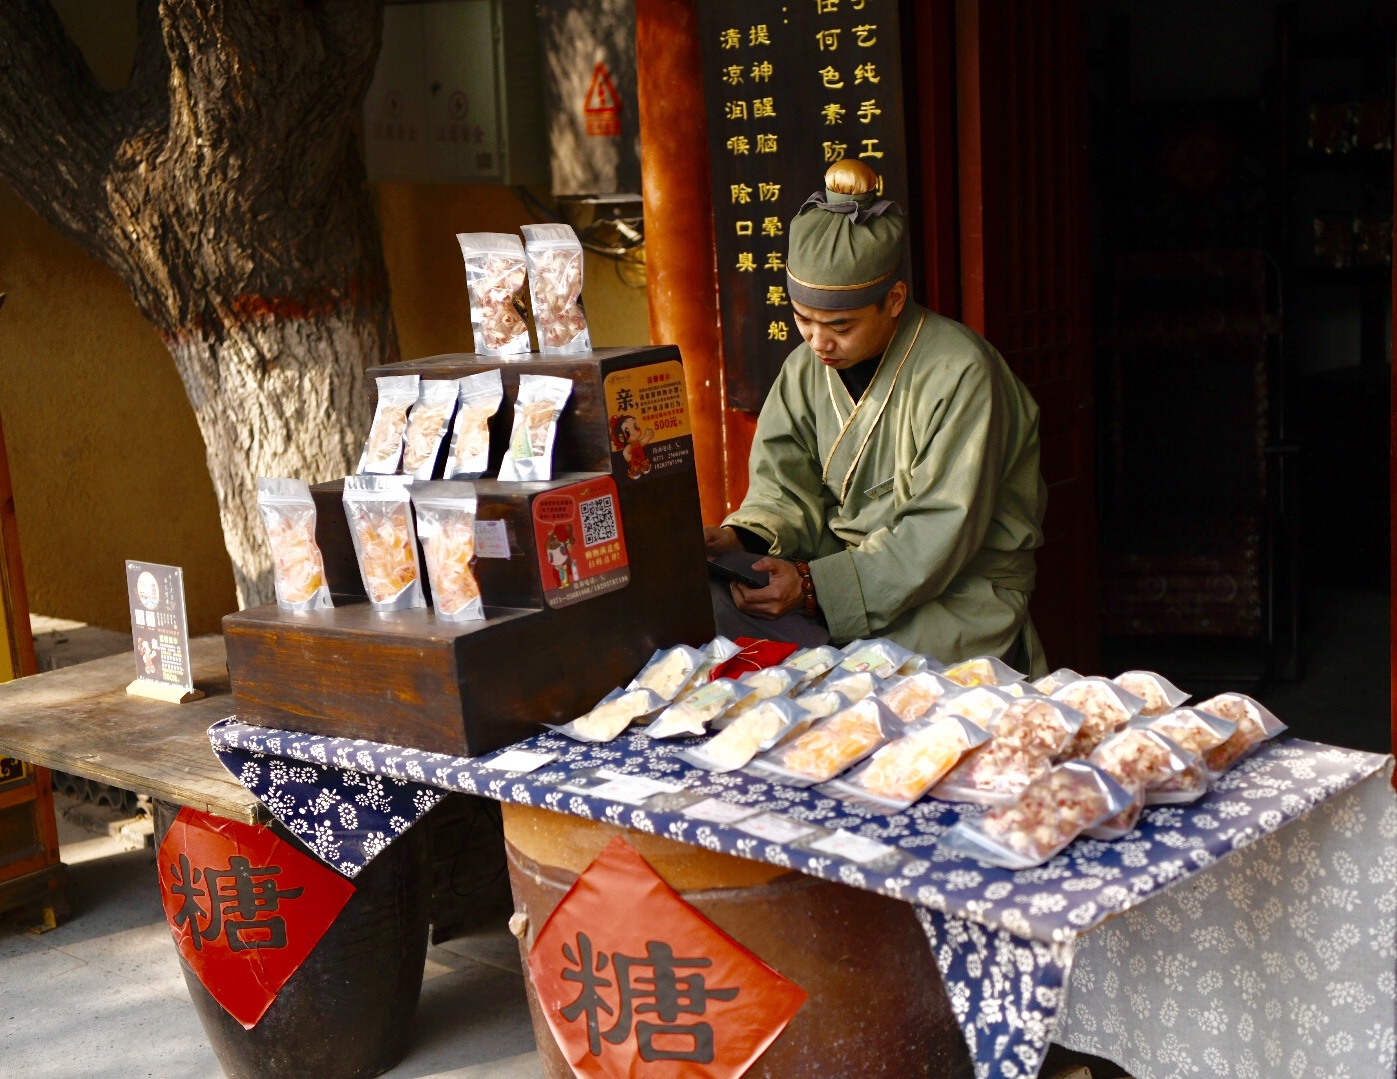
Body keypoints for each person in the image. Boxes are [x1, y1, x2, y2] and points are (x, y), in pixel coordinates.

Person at [705, 159, 1049, 676]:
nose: (819, 342)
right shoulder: (805, 370)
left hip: (954, 593)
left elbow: (939, 528)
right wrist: (744, 538)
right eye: (803, 319)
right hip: (835, 578)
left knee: (865, 685)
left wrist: (817, 587)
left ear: (893, 300)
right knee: (709, 604)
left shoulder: (960, 372)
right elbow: (782, 487)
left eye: (839, 325)